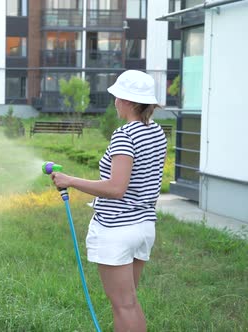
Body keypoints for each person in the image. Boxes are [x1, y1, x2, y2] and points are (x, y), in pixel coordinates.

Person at [51, 70, 167, 332]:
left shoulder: (125, 135)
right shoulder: (157, 132)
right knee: (129, 303)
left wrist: (70, 181)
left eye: (116, 97)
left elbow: (116, 188)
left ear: (126, 101)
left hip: (117, 229)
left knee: (123, 306)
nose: (114, 102)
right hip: (144, 227)